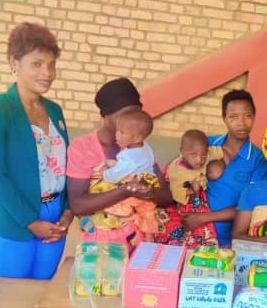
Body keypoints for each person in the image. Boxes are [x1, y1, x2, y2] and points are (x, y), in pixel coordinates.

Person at [0, 22, 72, 279]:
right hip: (10, 225)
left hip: (53, 224)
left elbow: (66, 165)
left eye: (51, 65)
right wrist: (31, 222)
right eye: (37, 64)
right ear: (14, 63)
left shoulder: (54, 111)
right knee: (8, 307)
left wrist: (68, 211)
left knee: (40, 299)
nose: (47, 73)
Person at [66, 77, 172, 248]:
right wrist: (125, 192)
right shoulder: (83, 148)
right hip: (100, 246)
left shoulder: (141, 150)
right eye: (124, 115)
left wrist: (148, 191)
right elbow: (78, 205)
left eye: (135, 114)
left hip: (137, 242)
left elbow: (166, 197)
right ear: (104, 116)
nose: (131, 122)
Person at [178, 89, 267, 246]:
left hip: (227, 240)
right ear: (224, 118)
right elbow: (177, 173)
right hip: (189, 231)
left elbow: (251, 205)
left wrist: (204, 218)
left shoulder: (258, 160)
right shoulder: (206, 144)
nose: (241, 123)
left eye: (247, 116)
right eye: (233, 117)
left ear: (254, 118)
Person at [85, 109, 164, 242]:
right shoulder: (145, 146)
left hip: (135, 188)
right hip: (150, 185)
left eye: (122, 133)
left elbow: (114, 176)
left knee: (107, 200)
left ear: (137, 138)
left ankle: (126, 216)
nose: (117, 135)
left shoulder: (129, 156)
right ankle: (149, 242)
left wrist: (105, 171)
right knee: (148, 213)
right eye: (117, 130)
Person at [161, 128, 226, 245]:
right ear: (182, 151)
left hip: (202, 207)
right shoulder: (175, 169)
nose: (199, 160)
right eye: (194, 155)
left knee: (205, 235)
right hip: (185, 205)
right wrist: (190, 191)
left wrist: (221, 164)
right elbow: (175, 192)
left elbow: (221, 151)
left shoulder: (208, 155)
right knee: (184, 234)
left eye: (203, 155)